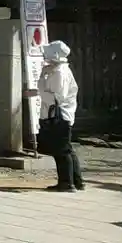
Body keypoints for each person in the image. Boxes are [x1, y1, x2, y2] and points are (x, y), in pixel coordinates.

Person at [38, 40, 83, 192]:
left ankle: (66, 183)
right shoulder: (58, 70)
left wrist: (41, 84)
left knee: (61, 150)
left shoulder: (59, 72)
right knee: (67, 148)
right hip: (63, 114)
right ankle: (77, 181)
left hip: (59, 115)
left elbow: (57, 97)